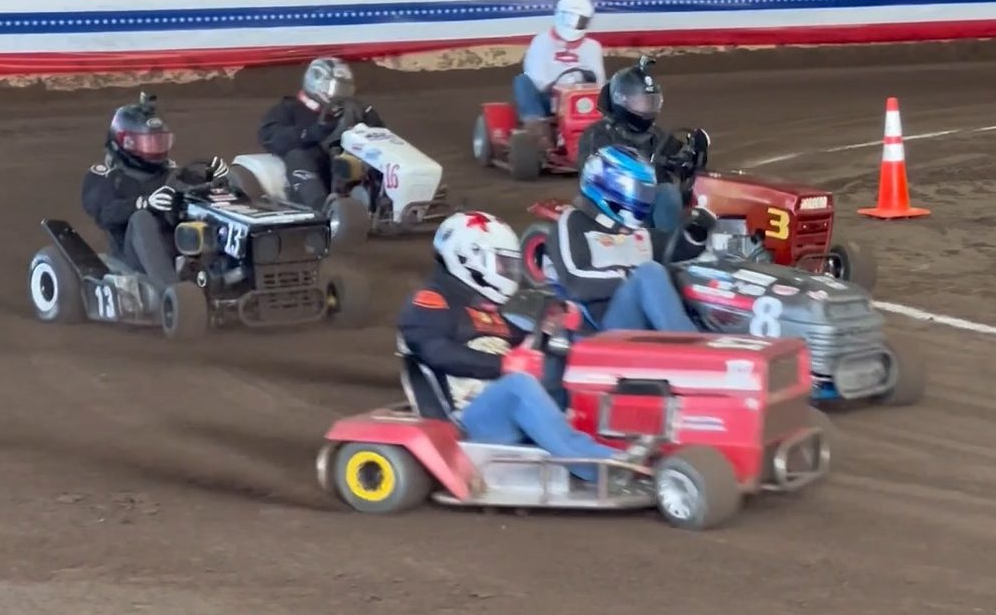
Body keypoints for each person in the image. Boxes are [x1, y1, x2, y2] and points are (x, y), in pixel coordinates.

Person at [397, 211, 647, 483]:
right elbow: (434, 351)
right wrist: (503, 365)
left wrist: (552, 329)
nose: (507, 272)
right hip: (465, 420)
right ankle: (600, 465)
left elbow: (524, 341)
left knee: (570, 349)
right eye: (502, 264)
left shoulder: (480, 308)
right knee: (518, 386)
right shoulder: (429, 302)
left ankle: (619, 431)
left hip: (497, 404)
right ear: (468, 258)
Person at [548, 144, 712, 334]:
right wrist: (630, 275)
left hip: (643, 320)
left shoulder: (635, 233)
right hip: (602, 330)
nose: (642, 199)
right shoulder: (573, 223)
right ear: (609, 186)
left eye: (645, 193)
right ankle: (691, 346)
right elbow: (574, 280)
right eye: (638, 192)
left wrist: (698, 231)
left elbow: (677, 248)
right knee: (650, 273)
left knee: (692, 275)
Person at [81, 93, 229, 293]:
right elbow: (105, 214)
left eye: (159, 142)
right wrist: (144, 203)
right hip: (133, 257)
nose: (155, 150)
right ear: (125, 142)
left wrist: (214, 178)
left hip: (180, 247)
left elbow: (197, 189)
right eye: (148, 143)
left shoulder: (172, 172)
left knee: (209, 211)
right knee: (142, 218)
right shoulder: (106, 176)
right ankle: (171, 291)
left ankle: (229, 276)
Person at [574, 56, 698, 234]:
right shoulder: (598, 135)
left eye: (651, 102)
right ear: (621, 100)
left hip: (646, 209)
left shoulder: (656, 135)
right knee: (667, 193)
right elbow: (596, 180)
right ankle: (668, 244)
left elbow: (678, 155)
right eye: (641, 102)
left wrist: (688, 160)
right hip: (614, 210)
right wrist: (653, 169)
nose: (647, 109)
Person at [257, 56, 386, 211]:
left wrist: (371, 125)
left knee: (377, 154)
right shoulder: (288, 109)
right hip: (315, 167)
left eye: (344, 89)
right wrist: (312, 132)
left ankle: (387, 201)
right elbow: (270, 138)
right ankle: (321, 208)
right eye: (335, 88)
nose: (339, 94)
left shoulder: (357, 110)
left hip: (348, 165)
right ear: (316, 84)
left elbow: (381, 138)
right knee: (298, 155)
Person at [514, 0, 606, 137]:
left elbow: (599, 80)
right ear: (559, 15)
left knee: (616, 84)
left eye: (580, 21)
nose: (574, 24)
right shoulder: (541, 41)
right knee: (522, 81)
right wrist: (562, 87)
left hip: (583, 101)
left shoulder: (593, 47)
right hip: (550, 99)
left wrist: (578, 87)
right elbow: (537, 77)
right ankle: (535, 126)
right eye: (570, 19)